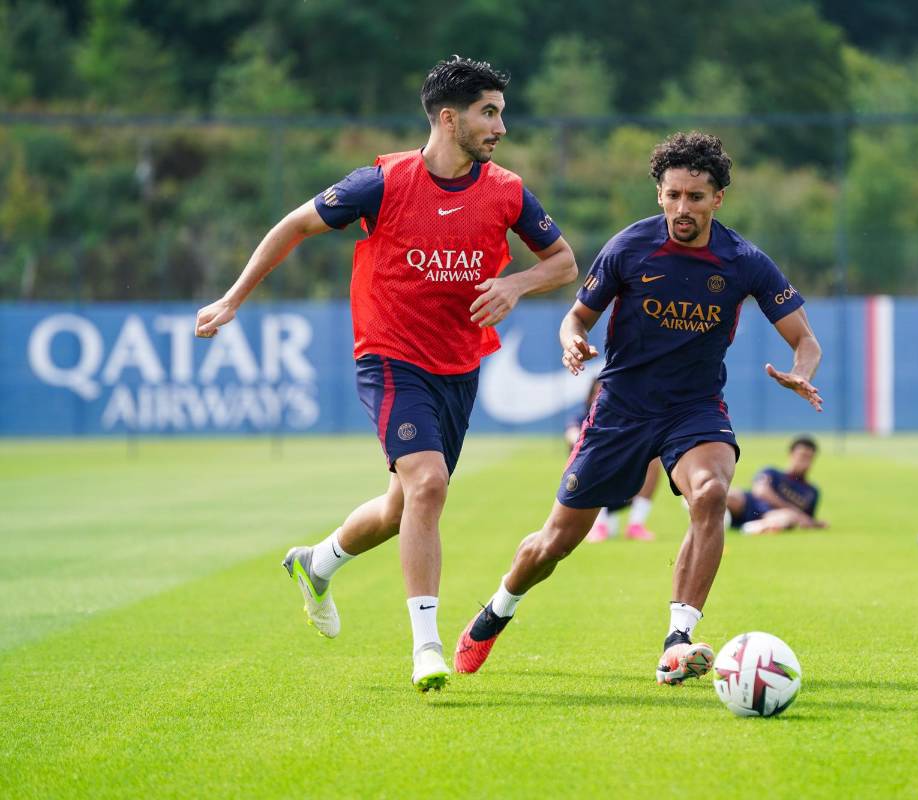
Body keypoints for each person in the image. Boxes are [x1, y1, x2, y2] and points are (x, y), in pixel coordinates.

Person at [193, 57, 577, 692]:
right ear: (449, 119)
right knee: (427, 486)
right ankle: (426, 647)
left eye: (502, 112)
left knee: (404, 506)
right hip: (390, 356)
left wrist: (517, 283)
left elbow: (562, 261)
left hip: (459, 364)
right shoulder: (382, 181)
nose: (501, 126)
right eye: (490, 112)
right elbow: (295, 224)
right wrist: (233, 298)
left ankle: (317, 562)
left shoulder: (507, 189)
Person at [453, 132, 823, 685]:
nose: (682, 208)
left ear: (718, 198)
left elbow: (806, 340)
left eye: (696, 197)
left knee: (713, 493)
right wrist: (571, 340)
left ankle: (678, 638)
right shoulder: (629, 246)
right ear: (659, 194)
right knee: (553, 544)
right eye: (673, 195)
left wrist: (803, 373)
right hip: (620, 410)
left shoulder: (745, 261)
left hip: (695, 408)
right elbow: (576, 316)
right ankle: (497, 610)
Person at [565, 379, 660, 542]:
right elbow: (571, 435)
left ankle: (636, 525)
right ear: (589, 397)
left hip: (624, 486)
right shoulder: (583, 418)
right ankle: (599, 525)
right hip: (590, 490)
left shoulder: (628, 418)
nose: (600, 396)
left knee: (653, 459)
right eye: (597, 392)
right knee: (593, 455)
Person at [726, 435, 826, 534]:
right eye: (801, 456)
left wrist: (816, 524)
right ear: (791, 454)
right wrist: (792, 509)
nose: (804, 461)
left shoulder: (812, 491)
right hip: (749, 505)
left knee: (788, 517)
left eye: (809, 457)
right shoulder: (772, 472)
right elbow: (760, 491)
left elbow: (806, 519)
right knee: (729, 495)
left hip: (773, 516)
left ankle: (752, 528)